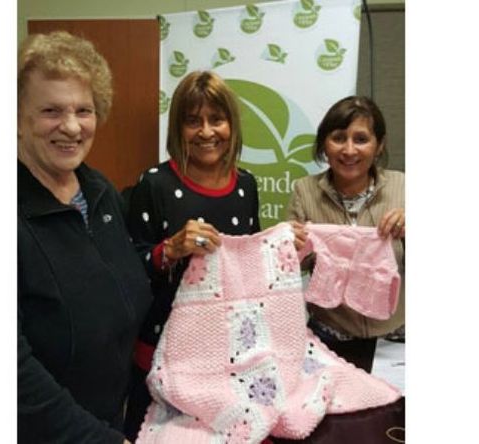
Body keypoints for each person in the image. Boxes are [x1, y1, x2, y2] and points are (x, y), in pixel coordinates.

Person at [17, 31, 152, 443]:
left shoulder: (100, 193)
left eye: (84, 110)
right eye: (51, 110)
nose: (72, 126)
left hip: (114, 418)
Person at [121, 70, 262, 440]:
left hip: (226, 353)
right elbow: (125, 268)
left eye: (216, 119)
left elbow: (248, 266)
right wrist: (169, 250)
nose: (206, 131)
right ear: (177, 128)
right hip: (159, 351)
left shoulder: (246, 185)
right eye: (192, 120)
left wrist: (285, 247)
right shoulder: (154, 184)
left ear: (231, 124)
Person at [287, 95, 405, 373]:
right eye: (339, 138)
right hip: (329, 337)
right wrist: (289, 246)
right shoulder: (305, 191)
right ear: (324, 145)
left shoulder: (404, 187)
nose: (349, 150)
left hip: (396, 337)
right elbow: (291, 269)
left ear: (379, 146)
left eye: (361, 139)